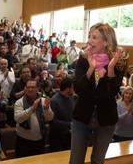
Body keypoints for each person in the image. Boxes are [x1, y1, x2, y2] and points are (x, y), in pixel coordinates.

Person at [69, 23, 127, 164]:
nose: (89, 41)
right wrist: (91, 69)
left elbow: (112, 92)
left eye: (94, 37)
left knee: (97, 160)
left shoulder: (118, 62)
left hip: (106, 118)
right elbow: (78, 89)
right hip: (82, 116)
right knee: (75, 160)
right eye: (89, 36)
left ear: (106, 41)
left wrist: (111, 69)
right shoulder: (83, 60)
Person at [14, 79, 54, 158]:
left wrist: (46, 108)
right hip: (23, 141)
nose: (30, 89)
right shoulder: (19, 102)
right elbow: (17, 119)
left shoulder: (43, 101)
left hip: (39, 141)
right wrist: (32, 109)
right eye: (28, 87)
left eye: (33, 87)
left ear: (38, 88)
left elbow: (50, 118)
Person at [49, 78, 75, 152]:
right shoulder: (54, 101)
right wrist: (71, 124)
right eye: (73, 87)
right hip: (57, 137)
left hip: (69, 135)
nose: (74, 89)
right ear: (68, 89)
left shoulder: (71, 98)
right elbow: (53, 122)